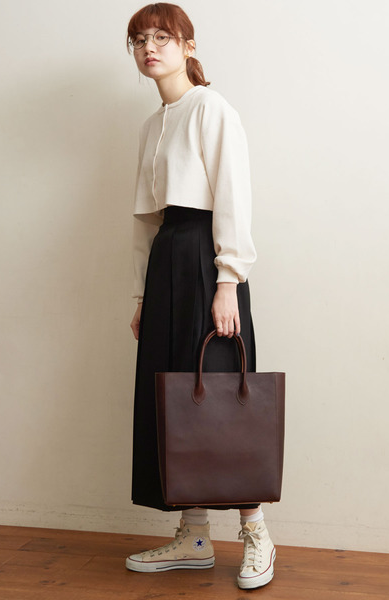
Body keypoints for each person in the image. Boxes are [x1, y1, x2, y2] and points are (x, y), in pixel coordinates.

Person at [125, 3, 275, 590]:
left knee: (218, 390)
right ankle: (193, 535)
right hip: (166, 259)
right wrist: (140, 296)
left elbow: (233, 196)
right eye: (140, 39)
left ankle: (256, 532)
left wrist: (228, 280)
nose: (149, 47)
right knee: (173, 393)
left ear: (188, 45)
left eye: (162, 37)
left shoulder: (212, 108)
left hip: (205, 259)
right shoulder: (151, 125)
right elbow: (145, 219)